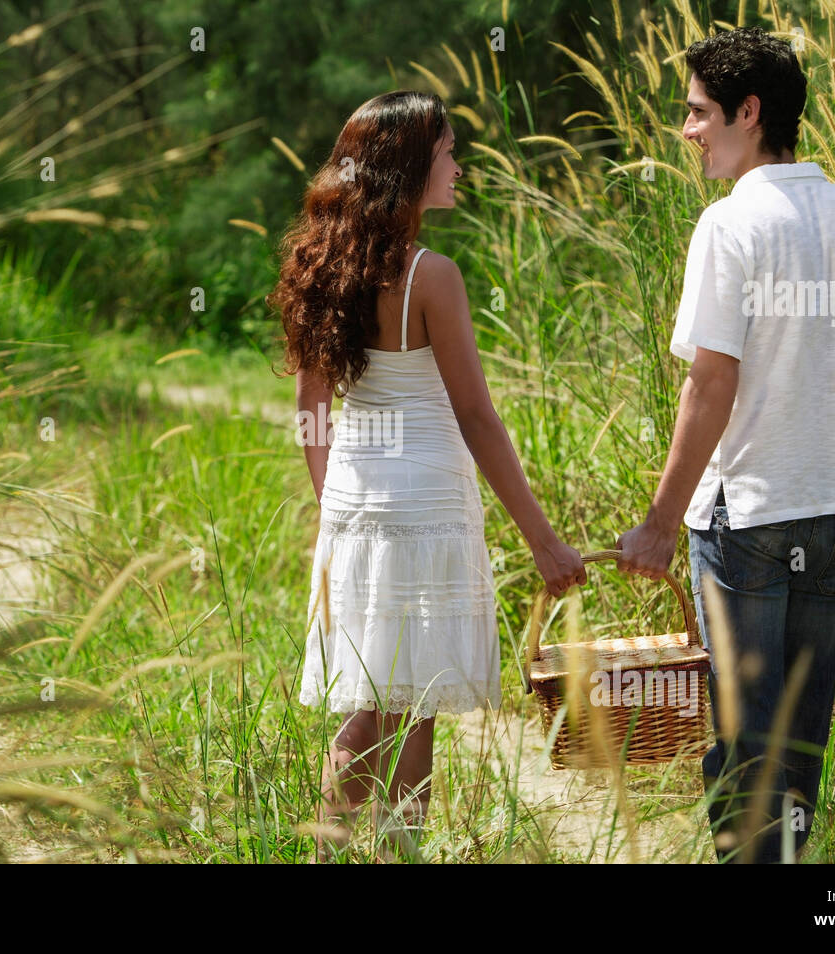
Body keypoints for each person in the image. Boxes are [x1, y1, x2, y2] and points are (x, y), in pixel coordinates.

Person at [613, 27, 835, 863]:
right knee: (800, 749)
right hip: (833, 519)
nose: (688, 130)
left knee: (748, 751)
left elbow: (711, 385)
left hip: (746, 520)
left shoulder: (729, 225)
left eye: (699, 112)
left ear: (750, 112)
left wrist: (661, 522)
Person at [268, 90, 587, 861]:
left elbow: (311, 407)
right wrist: (542, 539)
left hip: (357, 506)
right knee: (405, 712)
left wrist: (336, 504)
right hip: (427, 510)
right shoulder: (429, 277)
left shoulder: (321, 265)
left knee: (371, 705)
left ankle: (330, 853)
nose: (458, 166)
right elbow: (477, 418)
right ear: (409, 168)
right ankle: (397, 856)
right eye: (447, 153)